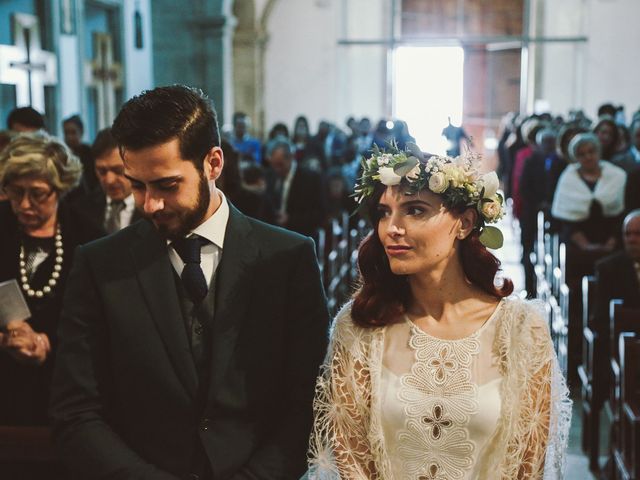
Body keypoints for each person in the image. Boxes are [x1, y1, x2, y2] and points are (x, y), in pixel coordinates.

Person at [50, 85, 330, 480]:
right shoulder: (100, 265)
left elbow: (307, 402)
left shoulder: (287, 258)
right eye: (137, 185)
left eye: (166, 185)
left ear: (213, 163)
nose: (149, 205)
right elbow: (76, 412)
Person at [307, 145, 571, 479]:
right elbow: (350, 454)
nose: (391, 228)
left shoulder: (521, 330)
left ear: (464, 223)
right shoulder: (360, 326)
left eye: (414, 210)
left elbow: (527, 462)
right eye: (384, 213)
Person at [0, 132, 102, 478]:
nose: (24, 205)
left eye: (37, 194)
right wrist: (6, 336)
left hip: (67, 390)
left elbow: (100, 322)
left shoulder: (88, 237)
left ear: (60, 188)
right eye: (15, 193)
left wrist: (48, 344)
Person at [71, 127, 143, 234]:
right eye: (102, 171)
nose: (109, 180)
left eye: (118, 170)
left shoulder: (152, 209)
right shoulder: (80, 210)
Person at [265, 138, 327, 238]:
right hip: (274, 236)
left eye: (280, 165)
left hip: (301, 237)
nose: (277, 170)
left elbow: (320, 214)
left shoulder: (311, 178)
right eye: (274, 165)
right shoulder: (270, 176)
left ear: (291, 158)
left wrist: (290, 219)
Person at [62, 114, 98, 192]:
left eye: (73, 133)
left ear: (81, 132)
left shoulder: (90, 153)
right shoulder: (62, 155)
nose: (69, 137)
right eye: (66, 133)